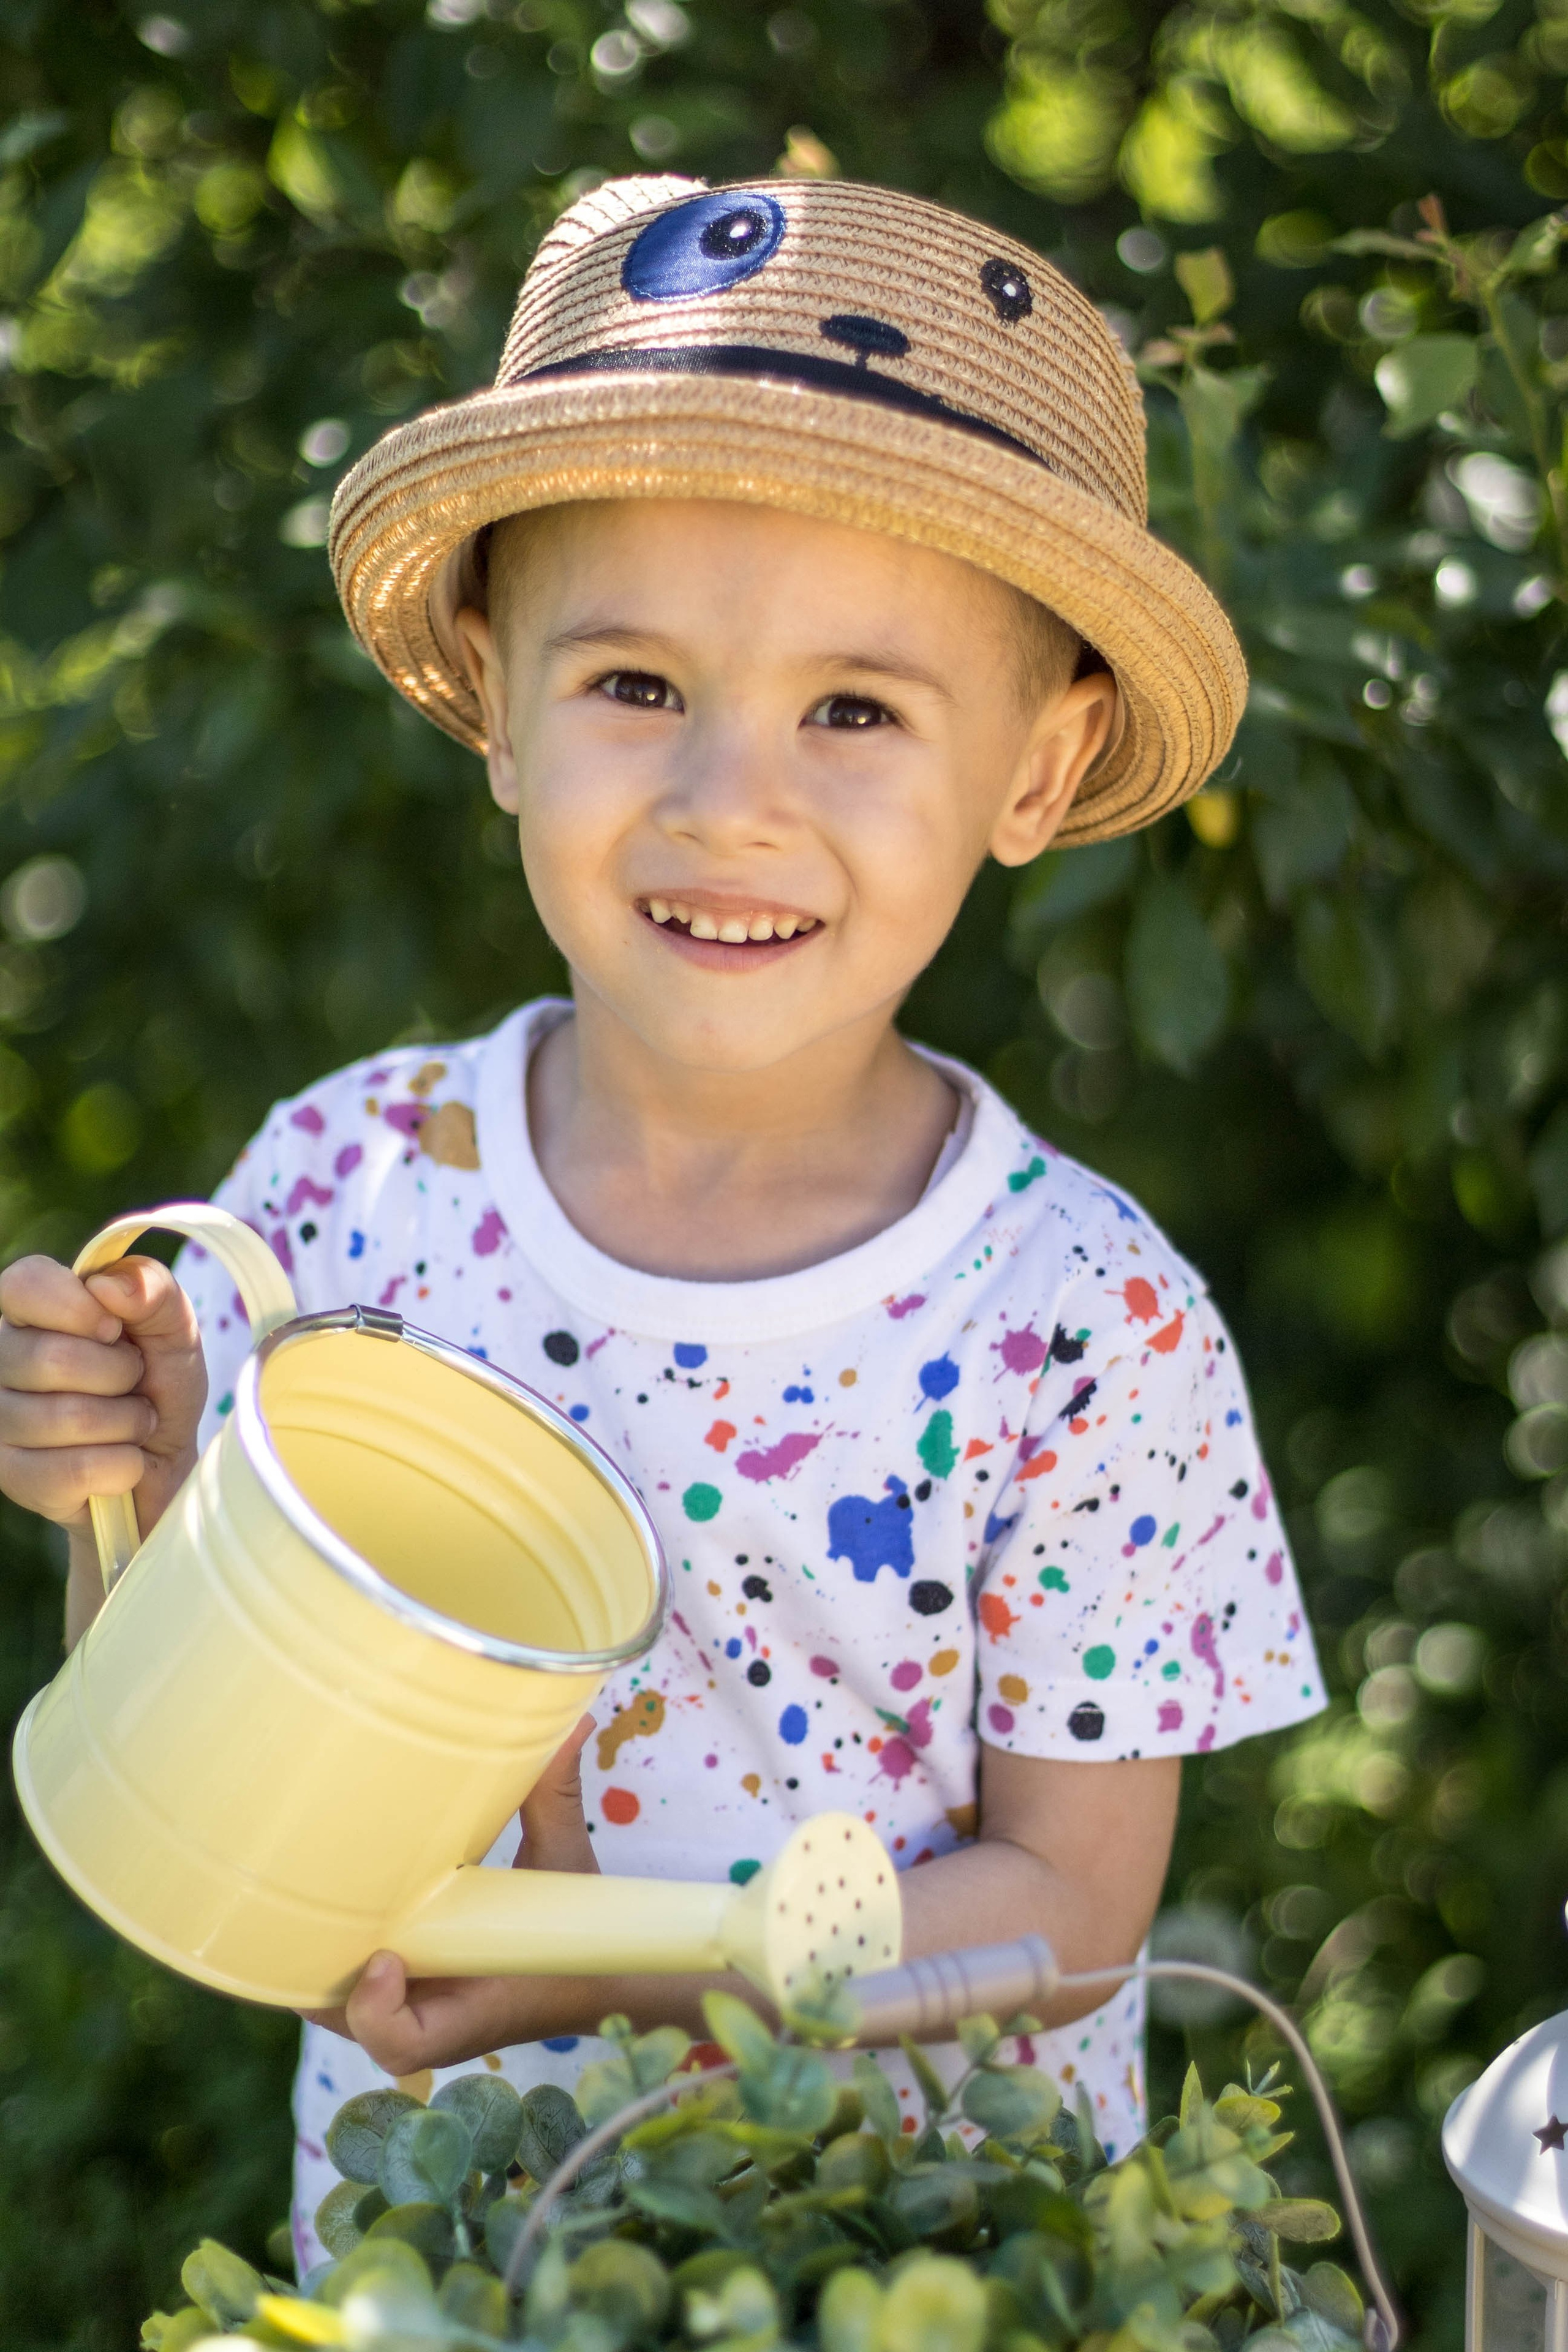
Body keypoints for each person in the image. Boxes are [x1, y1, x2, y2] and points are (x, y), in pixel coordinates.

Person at [0, 174, 1324, 2263]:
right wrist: (131, 1508)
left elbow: (1070, 1916)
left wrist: (637, 1971)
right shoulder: (351, 1190)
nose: (730, 799)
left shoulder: (1086, 1325)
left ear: (1041, 771)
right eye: (633, 683)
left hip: (926, 2264)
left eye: (858, 711)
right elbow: (203, 1780)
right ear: (490, 692)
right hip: (455, 2270)